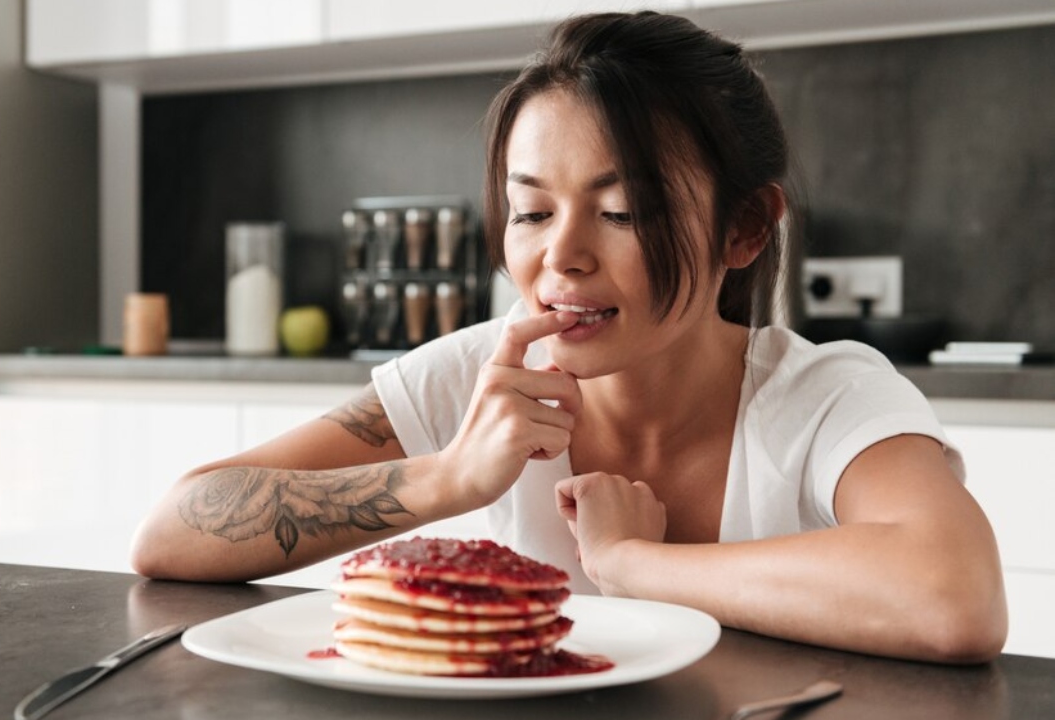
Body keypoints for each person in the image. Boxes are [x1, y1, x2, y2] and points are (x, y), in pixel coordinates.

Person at [131, 11, 1006, 664]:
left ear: (744, 229)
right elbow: (171, 533)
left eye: (621, 211)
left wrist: (634, 563)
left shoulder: (827, 398)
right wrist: (446, 477)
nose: (561, 257)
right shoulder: (473, 375)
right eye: (531, 211)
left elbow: (953, 596)